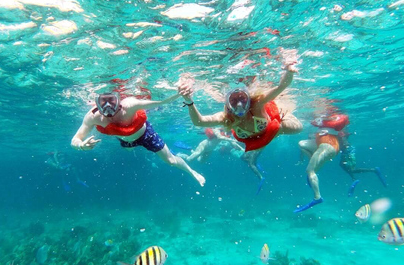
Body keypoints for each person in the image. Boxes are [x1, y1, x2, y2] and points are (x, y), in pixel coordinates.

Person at [178, 65, 302, 193]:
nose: (239, 104)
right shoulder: (226, 117)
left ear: (248, 99)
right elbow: (199, 122)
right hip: (251, 139)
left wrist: (289, 70)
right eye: (234, 100)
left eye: (242, 99)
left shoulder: (257, 105)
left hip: (272, 130)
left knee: (298, 128)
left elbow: (281, 87)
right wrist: (188, 101)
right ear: (228, 104)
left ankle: (283, 114)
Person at [71, 91, 205, 187]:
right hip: (126, 140)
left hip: (146, 135)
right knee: (129, 149)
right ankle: (136, 149)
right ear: (98, 108)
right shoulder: (92, 117)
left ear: (119, 104)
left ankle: (192, 172)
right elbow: (75, 140)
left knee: (170, 160)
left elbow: (161, 102)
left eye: (113, 108)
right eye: (104, 110)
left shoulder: (130, 105)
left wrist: (179, 93)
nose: (110, 114)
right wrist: (81, 146)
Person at [295, 113, 350, 213]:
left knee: (309, 170)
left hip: (327, 147)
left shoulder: (332, 122)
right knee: (301, 144)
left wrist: (324, 116)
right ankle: (313, 164)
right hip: (323, 146)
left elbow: (337, 121)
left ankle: (317, 197)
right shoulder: (324, 126)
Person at [338, 132, 387, 196]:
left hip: (348, 153)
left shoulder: (341, 136)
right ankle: (354, 178)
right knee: (343, 165)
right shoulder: (340, 136)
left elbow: (346, 139)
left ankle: (373, 170)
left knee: (351, 169)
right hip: (346, 153)